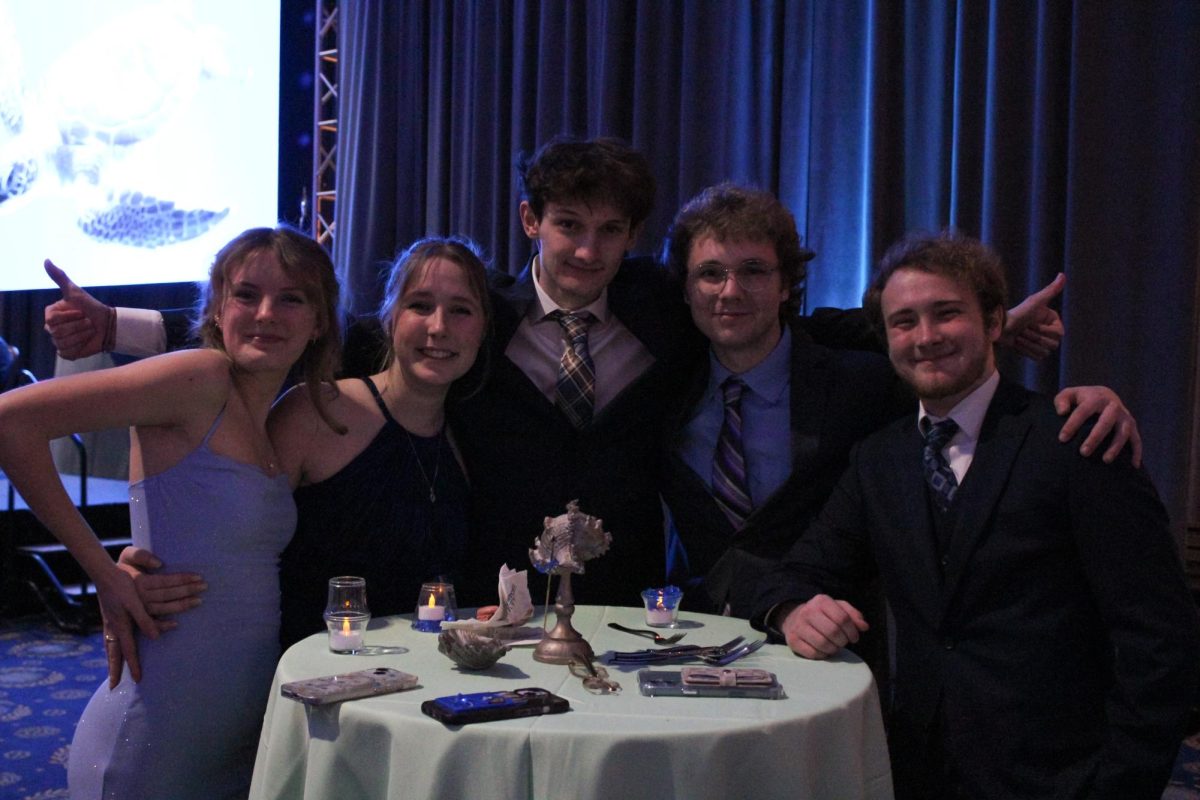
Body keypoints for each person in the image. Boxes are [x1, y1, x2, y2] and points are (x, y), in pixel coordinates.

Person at [44, 137, 1081, 608]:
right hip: (482, 586)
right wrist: (124, 324)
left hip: (629, 590)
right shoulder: (469, 313)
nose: (586, 252)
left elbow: (806, 323)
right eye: (567, 227)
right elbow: (304, 331)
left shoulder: (665, 311)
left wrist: (984, 338)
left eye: (608, 232)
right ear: (531, 221)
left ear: (631, 238)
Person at [752, 231, 1200, 800]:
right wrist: (792, 609)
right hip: (916, 772)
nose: (926, 337)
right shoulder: (879, 459)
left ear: (994, 323)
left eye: (946, 314)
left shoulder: (1077, 443)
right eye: (904, 321)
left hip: (1062, 778)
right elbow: (799, 570)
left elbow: (1160, 636)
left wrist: (1120, 781)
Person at [661, 184, 1142, 619]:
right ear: (685, 288)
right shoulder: (660, 385)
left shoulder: (863, 384)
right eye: (710, 273)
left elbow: (948, 378)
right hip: (694, 628)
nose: (731, 291)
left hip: (830, 636)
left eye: (754, 271)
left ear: (786, 283)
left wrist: (1091, 398)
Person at [0, 227, 342, 799]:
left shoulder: (274, 419)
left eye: (291, 298)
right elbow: (9, 421)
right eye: (245, 295)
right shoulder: (198, 380)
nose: (266, 313)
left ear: (319, 322)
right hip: (155, 725)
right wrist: (105, 574)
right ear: (216, 308)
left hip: (230, 727)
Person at [269, 237, 489, 647]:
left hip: (420, 684)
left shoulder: (471, 436)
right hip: (310, 676)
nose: (439, 327)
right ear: (389, 317)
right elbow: (233, 540)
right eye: (420, 305)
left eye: (461, 310)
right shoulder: (319, 410)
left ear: (482, 329)